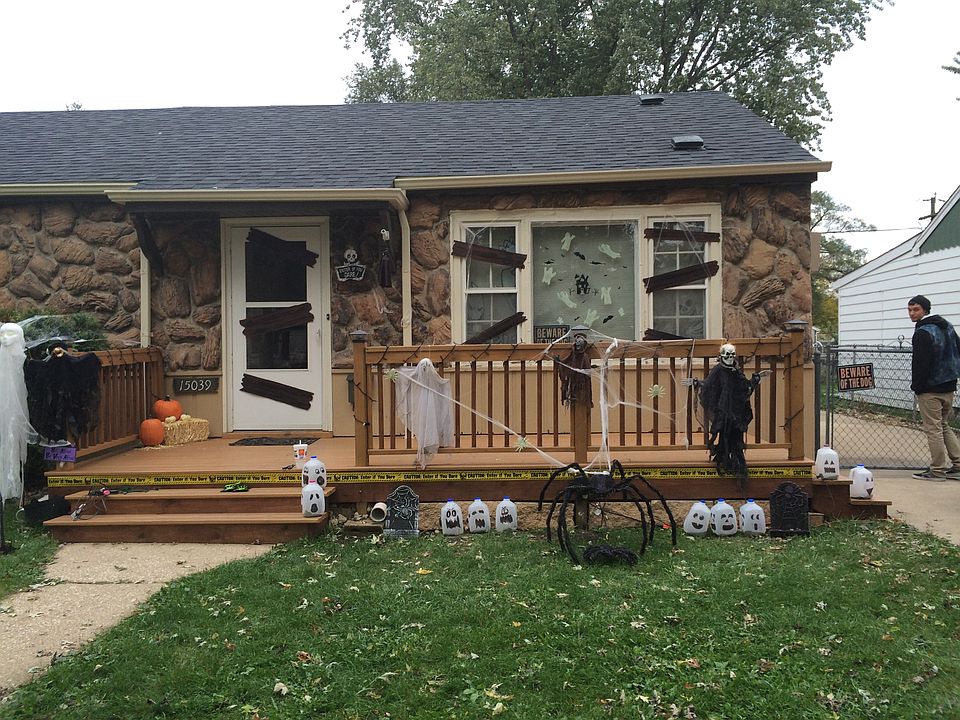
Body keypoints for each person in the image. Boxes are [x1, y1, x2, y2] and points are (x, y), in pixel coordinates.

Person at [908, 295, 960, 480]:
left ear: (925, 310)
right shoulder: (948, 327)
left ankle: (937, 470)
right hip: (949, 385)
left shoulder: (923, 332)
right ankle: (958, 465)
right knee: (943, 425)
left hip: (930, 388)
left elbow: (920, 363)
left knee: (933, 429)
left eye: (916, 309)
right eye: (909, 310)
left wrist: (917, 386)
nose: (912, 313)